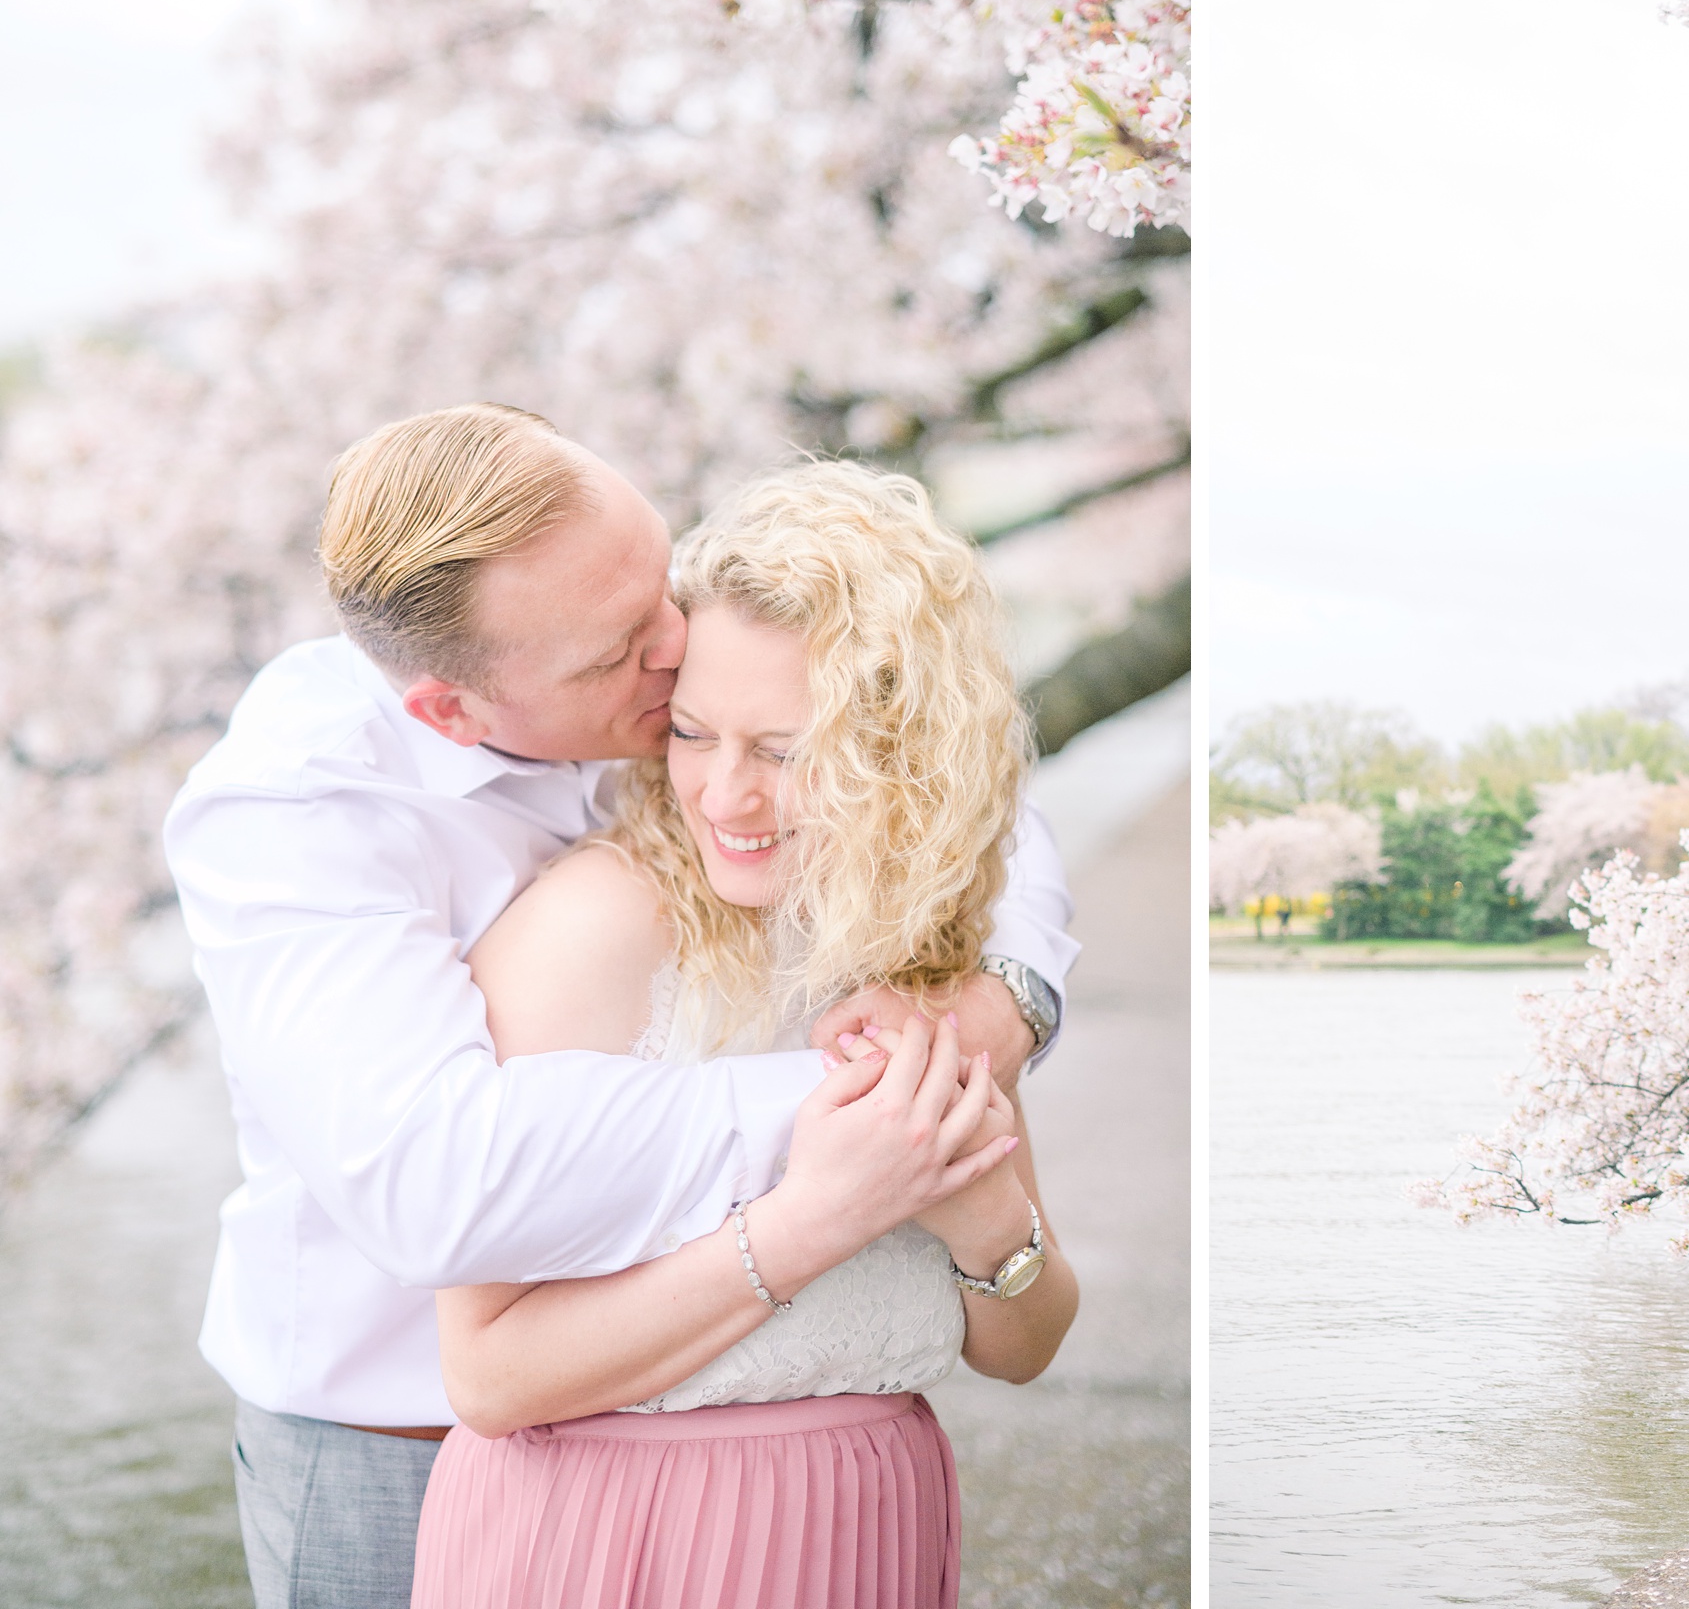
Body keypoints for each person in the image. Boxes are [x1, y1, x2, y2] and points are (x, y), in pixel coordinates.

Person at [164, 405, 1078, 1608]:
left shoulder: (656, 661)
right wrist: (879, 1102)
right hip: (388, 1432)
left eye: (663, 585)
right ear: (454, 709)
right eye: (627, 657)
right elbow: (439, 1185)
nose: (674, 646)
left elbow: (947, 778)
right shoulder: (300, 815)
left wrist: (1007, 992)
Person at [408, 461, 1077, 1608]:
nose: (724, 796)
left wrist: (982, 1222)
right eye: (692, 732)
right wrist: (819, 1217)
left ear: (901, 752)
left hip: (870, 1518)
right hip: (613, 1539)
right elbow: (487, 1372)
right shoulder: (593, 928)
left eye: (784, 751)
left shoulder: (936, 955)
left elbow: (1024, 1344)